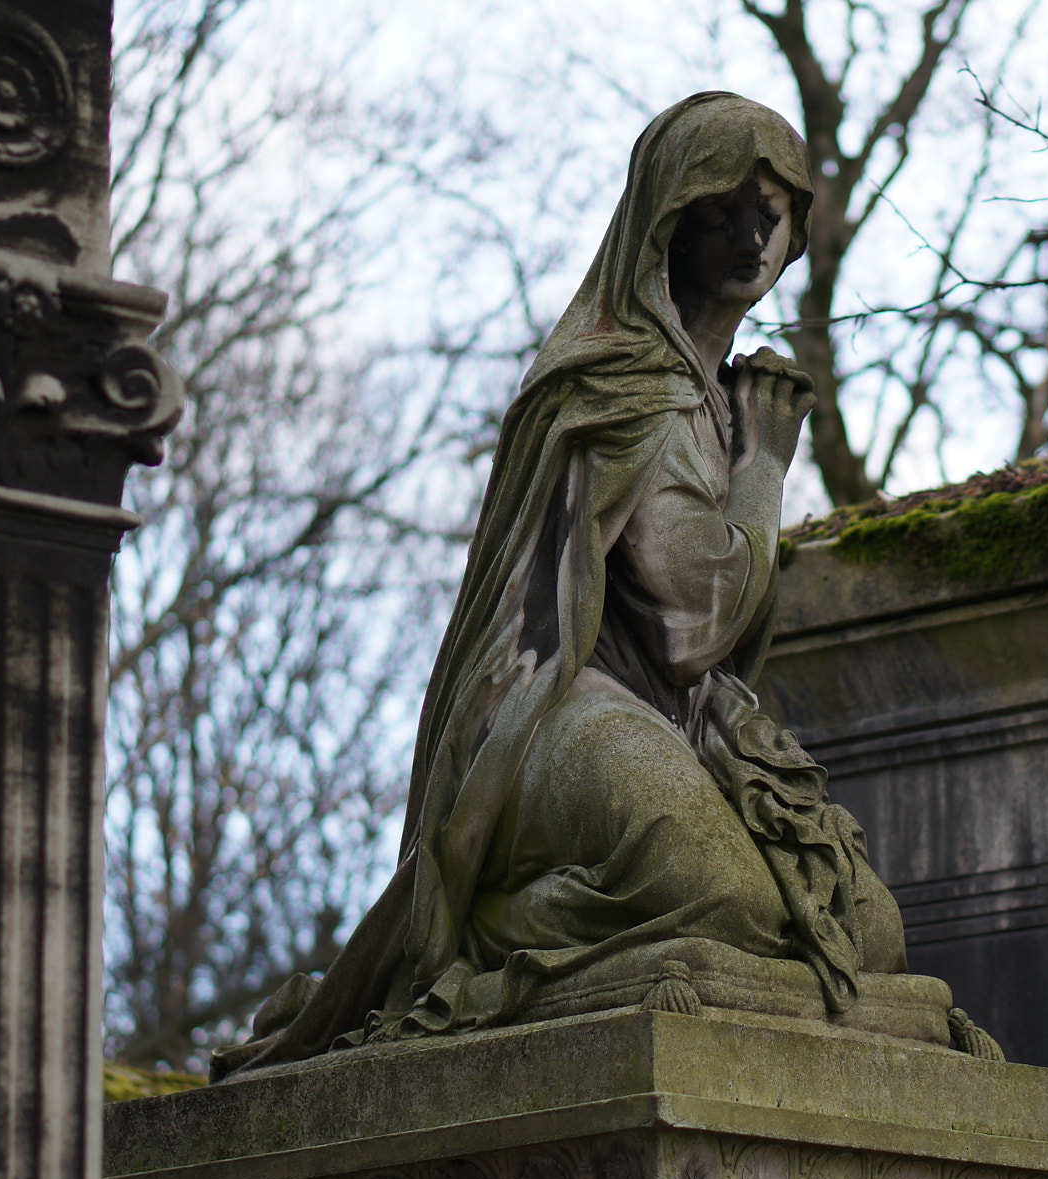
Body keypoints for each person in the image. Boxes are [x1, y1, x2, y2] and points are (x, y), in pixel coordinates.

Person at [211, 93, 931, 1080]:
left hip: (679, 716)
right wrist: (764, 465)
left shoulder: (720, 394)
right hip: (550, 698)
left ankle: (563, 917)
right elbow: (693, 621)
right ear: (666, 216)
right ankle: (486, 930)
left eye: (777, 209)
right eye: (726, 203)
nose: (755, 232)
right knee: (714, 891)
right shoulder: (613, 381)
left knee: (863, 927)